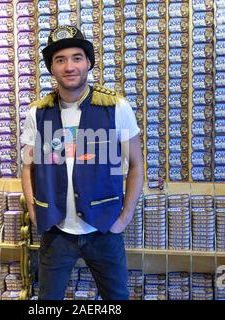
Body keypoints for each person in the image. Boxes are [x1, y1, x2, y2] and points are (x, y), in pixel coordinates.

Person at [20, 25, 144, 300]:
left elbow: (136, 165)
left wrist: (124, 218)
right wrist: (33, 209)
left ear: (89, 62)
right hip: (57, 232)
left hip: (104, 230)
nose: (69, 66)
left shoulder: (116, 107)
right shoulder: (37, 113)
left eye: (77, 57)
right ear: (51, 68)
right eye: (60, 60)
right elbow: (27, 166)